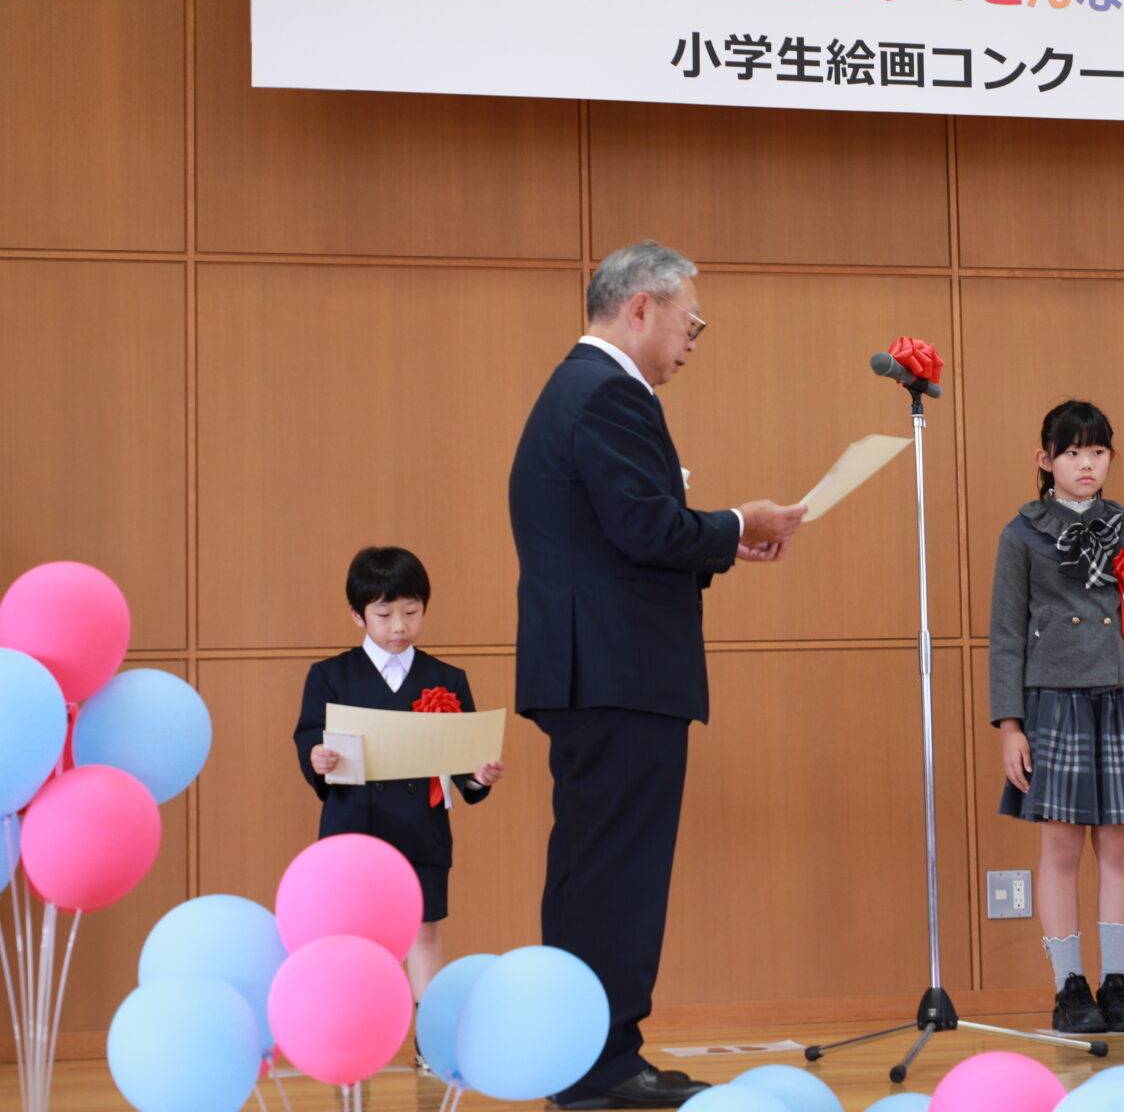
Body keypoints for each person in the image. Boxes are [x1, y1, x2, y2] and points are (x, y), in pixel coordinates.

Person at [508, 241, 805, 1110]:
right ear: (641, 307)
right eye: (691, 320)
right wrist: (733, 521)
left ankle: (595, 1053)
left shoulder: (579, 389)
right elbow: (644, 529)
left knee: (595, 870)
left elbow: (627, 530)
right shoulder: (605, 393)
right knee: (615, 875)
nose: (695, 338)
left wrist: (718, 537)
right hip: (617, 671)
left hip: (597, 670)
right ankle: (599, 1066)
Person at [989, 400, 1124, 1035]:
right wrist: (1010, 725)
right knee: (1059, 847)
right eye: (1072, 452)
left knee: (1122, 848)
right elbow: (1005, 636)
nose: (1085, 463)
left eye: (1097, 452)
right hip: (1056, 699)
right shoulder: (1022, 532)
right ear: (1044, 460)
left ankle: (1118, 984)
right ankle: (1069, 986)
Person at [294, 547, 505, 1034]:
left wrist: (479, 776)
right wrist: (317, 758)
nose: (399, 626)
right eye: (384, 613)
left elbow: (462, 768)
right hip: (353, 826)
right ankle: (350, 1036)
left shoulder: (447, 679)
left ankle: (430, 1041)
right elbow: (309, 735)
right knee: (351, 935)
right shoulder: (331, 675)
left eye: (411, 612)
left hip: (421, 828)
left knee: (424, 930)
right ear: (357, 614)